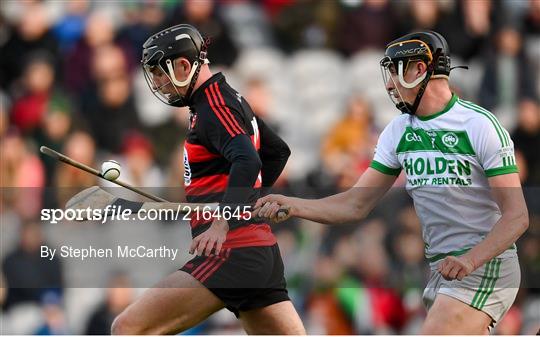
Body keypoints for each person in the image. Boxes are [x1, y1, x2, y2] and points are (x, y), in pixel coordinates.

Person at [255, 30, 529, 334]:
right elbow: (354, 204)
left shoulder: (480, 125)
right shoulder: (397, 131)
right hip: (444, 271)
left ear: (420, 69)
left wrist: (471, 260)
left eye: (395, 72)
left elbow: (517, 216)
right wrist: (292, 204)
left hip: (487, 265)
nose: (389, 84)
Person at [110, 24, 305, 334]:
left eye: (161, 73)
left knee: (128, 328)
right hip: (259, 252)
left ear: (184, 66)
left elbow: (248, 159)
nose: (159, 84)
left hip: (232, 253)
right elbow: (277, 152)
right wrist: (245, 205)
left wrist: (222, 222)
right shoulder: (225, 98)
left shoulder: (213, 106)